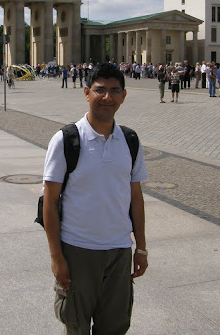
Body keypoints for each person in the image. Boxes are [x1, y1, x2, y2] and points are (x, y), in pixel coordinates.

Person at [42, 63, 148, 334]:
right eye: (100, 90)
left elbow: (136, 197)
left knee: (114, 326)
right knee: (76, 325)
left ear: (123, 96)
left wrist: (141, 248)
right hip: (78, 250)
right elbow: (50, 202)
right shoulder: (66, 139)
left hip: (119, 251)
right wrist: (56, 257)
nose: (107, 97)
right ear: (87, 92)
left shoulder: (130, 141)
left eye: (115, 91)